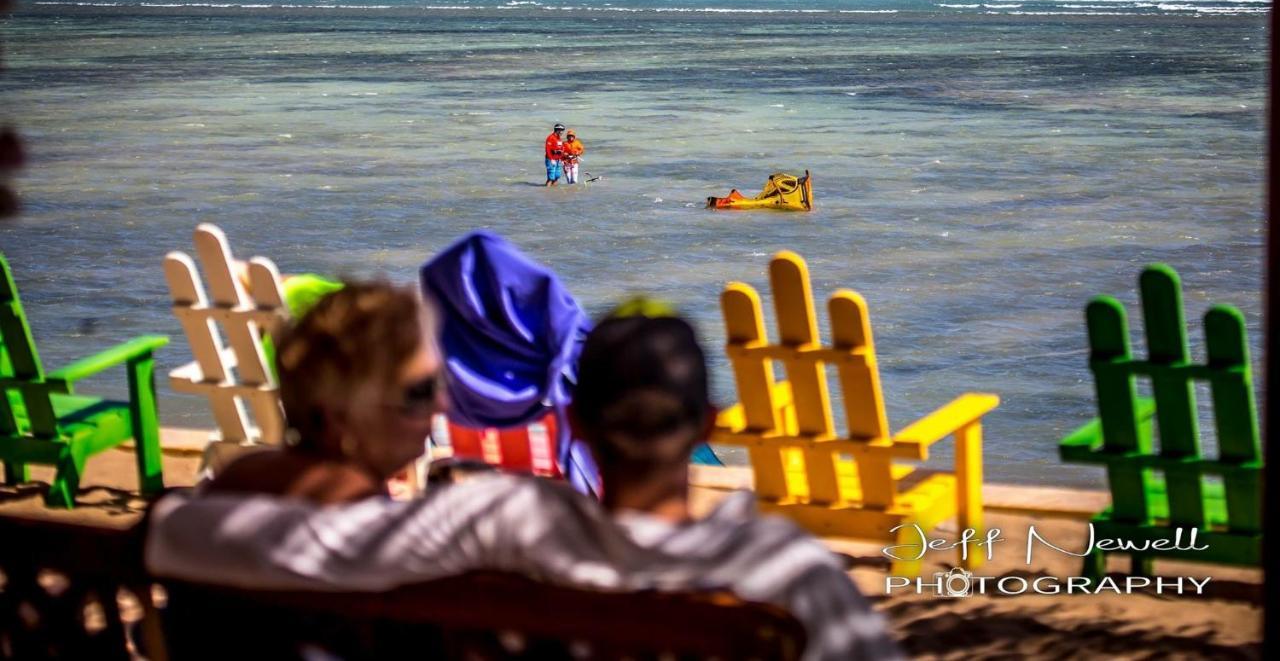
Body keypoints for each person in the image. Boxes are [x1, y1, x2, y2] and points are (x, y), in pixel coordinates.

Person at [146, 308, 900, 661]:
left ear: (575, 419)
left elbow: (263, 542)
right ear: (708, 426)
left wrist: (170, 516)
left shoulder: (500, 517)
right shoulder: (783, 571)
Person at [201, 280, 446, 504]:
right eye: (420, 392)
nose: (444, 404)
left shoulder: (237, 479)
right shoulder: (364, 522)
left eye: (440, 382)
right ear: (340, 415)